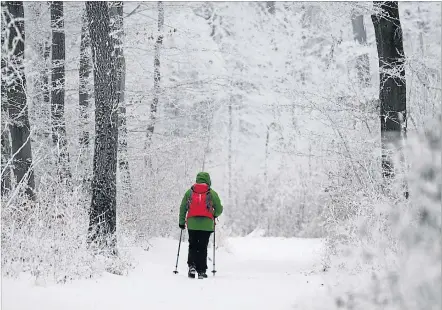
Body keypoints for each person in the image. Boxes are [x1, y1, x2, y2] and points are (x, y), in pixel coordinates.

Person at [179, 172, 223, 279]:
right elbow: (219, 209)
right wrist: (214, 215)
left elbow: (183, 207)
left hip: (192, 224)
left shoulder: (189, 192)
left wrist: (181, 222)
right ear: (208, 180)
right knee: (203, 246)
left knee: (192, 245)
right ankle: (202, 270)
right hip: (206, 224)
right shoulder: (212, 193)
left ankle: (192, 267)